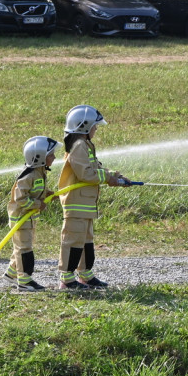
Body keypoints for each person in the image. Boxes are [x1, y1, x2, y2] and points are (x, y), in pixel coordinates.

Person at [57, 105, 130, 291]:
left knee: (86, 241)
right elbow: (86, 174)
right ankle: (67, 279)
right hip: (76, 204)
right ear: (84, 126)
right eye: (95, 126)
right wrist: (108, 179)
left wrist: (115, 176)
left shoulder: (85, 145)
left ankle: (85, 276)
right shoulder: (79, 146)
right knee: (73, 241)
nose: (96, 129)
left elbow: (94, 168)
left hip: (86, 204)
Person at [4, 136, 59, 292]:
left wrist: (48, 194)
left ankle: (12, 273)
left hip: (28, 218)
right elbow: (20, 198)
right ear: (40, 157)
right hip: (21, 218)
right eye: (51, 155)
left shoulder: (39, 172)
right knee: (25, 249)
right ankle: (25, 281)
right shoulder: (29, 175)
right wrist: (38, 204)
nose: (54, 158)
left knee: (23, 246)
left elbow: (35, 191)